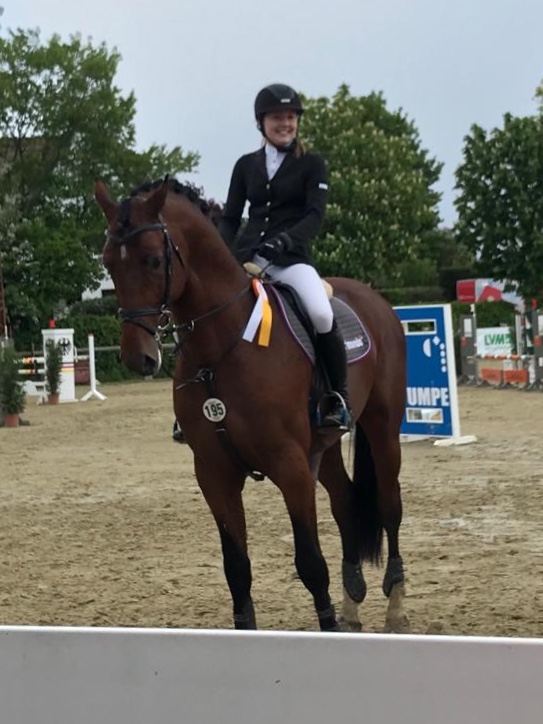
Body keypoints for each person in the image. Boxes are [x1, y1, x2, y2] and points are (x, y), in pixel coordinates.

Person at [218, 83, 351, 431]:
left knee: (321, 312)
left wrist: (284, 241)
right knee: (211, 312)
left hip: (291, 260)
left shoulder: (312, 164)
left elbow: (314, 216)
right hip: (248, 260)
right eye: (277, 117)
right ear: (261, 123)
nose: (285, 124)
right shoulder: (245, 165)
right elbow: (231, 218)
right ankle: (203, 401)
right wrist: (222, 254)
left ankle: (338, 397)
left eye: (291, 117)